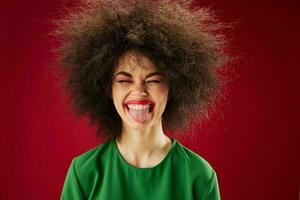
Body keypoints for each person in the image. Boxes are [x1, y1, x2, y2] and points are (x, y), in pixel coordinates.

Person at [53, 0, 232, 199]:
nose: (139, 90)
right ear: (107, 89)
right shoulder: (84, 173)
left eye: (153, 80)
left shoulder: (199, 176)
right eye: (124, 80)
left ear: (173, 87)